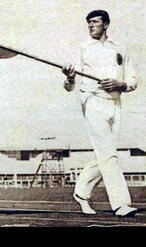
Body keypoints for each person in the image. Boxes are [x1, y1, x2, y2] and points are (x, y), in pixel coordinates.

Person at [62, 10, 139, 217]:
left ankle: (82, 192)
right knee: (109, 154)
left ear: (106, 24)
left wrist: (120, 84)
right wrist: (69, 78)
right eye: (88, 23)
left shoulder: (120, 48)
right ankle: (121, 204)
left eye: (95, 22)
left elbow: (133, 80)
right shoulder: (83, 49)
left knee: (105, 154)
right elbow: (70, 86)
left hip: (115, 103)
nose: (91, 26)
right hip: (92, 101)